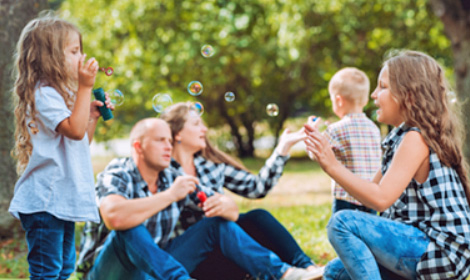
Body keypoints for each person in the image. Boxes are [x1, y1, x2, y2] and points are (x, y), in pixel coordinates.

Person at [78, 118, 320, 280]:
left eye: (170, 141)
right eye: (160, 140)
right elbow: (114, 217)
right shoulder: (118, 172)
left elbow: (231, 214)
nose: (167, 146)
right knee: (129, 229)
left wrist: (225, 206)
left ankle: (284, 273)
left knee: (216, 224)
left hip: (154, 270)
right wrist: (170, 195)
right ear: (138, 147)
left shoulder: (173, 176)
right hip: (111, 272)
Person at [304, 50, 470, 280]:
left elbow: (380, 198)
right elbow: (368, 192)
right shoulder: (401, 139)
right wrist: (324, 157)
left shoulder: (416, 138)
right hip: (418, 247)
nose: (373, 94)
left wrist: (333, 166)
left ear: (408, 96)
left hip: (438, 252)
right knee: (334, 272)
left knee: (342, 222)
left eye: (382, 87)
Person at [161, 103, 324, 280]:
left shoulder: (210, 166)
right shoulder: (163, 171)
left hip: (221, 248)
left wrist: (282, 148)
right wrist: (226, 205)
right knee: (217, 223)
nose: (205, 129)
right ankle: (283, 273)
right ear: (177, 133)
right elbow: (200, 199)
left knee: (257, 217)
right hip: (189, 259)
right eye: (196, 124)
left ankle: (307, 268)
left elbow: (256, 188)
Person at [8, 13, 113, 279]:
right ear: (49, 57)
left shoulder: (62, 96)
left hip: (60, 200)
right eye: (74, 51)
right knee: (47, 272)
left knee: (64, 268)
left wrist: (90, 115)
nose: (82, 57)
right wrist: (86, 87)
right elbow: (75, 132)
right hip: (45, 201)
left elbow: (80, 141)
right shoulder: (43, 93)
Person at [316, 67, 382, 214]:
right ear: (365, 100)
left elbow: (316, 153)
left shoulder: (335, 129)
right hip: (370, 196)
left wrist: (314, 133)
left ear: (338, 100)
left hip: (347, 200)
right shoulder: (373, 128)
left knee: (342, 233)